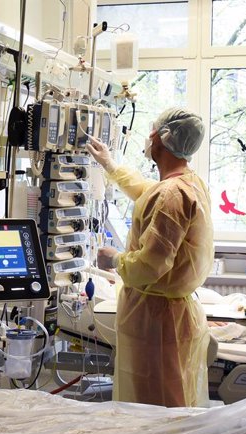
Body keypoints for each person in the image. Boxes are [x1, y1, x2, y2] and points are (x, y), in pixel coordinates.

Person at [86, 107, 214, 407]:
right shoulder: (186, 183)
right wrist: (109, 165)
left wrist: (115, 260)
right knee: (168, 402)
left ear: (164, 138)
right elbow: (149, 194)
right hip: (168, 316)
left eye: (153, 131)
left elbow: (150, 265)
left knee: (154, 410)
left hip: (156, 322)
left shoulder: (172, 195)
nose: (149, 136)